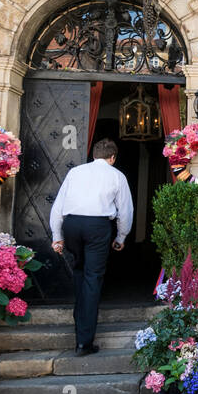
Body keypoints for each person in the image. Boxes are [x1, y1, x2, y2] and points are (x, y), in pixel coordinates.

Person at [49, 139, 134, 356]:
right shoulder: (117, 176)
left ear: (93, 155)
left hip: (72, 225)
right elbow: (125, 211)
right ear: (112, 157)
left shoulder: (75, 172)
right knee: (93, 278)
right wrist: (121, 237)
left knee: (80, 271)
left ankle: (80, 326)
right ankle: (83, 343)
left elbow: (58, 205)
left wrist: (57, 235)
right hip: (97, 226)